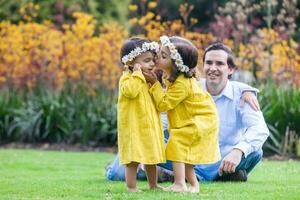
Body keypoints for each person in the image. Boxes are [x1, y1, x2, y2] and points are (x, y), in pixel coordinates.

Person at [105, 42, 268, 182]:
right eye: (209, 63)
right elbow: (164, 116)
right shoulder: (190, 84)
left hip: (222, 158)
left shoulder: (242, 93)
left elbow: (260, 130)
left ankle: (182, 175)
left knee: (255, 151)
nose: (213, 68)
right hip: (186, 152)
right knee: (117, 173)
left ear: (230, 69)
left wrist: (238, 151)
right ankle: (196, 175)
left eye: (219, 64)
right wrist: (148, 144)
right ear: (202, 66)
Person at [142, 36, 220, 193]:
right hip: (191, 119)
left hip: (199, 120)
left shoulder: (182, 83)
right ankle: (194, 185)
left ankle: (179, 183)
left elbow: (164, 104)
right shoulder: (172, 77)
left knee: (176, 145)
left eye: (164, 56)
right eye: (159, 53)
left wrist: (154, 84)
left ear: (176, 64)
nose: (158, 58)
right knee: (185, 156)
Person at [117, 37, 166, 192]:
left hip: (149, 126)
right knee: (133, 159)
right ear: (131, 63)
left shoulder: (148, 80)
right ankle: (131, 187)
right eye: (146, 61)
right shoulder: (127, 78)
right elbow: (131, 92)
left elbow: (159, 102)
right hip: (133, 128)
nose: (152, 64)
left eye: (152, 60)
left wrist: (154, 84)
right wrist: (137, 74)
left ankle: (153, 184)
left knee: (152, 158)